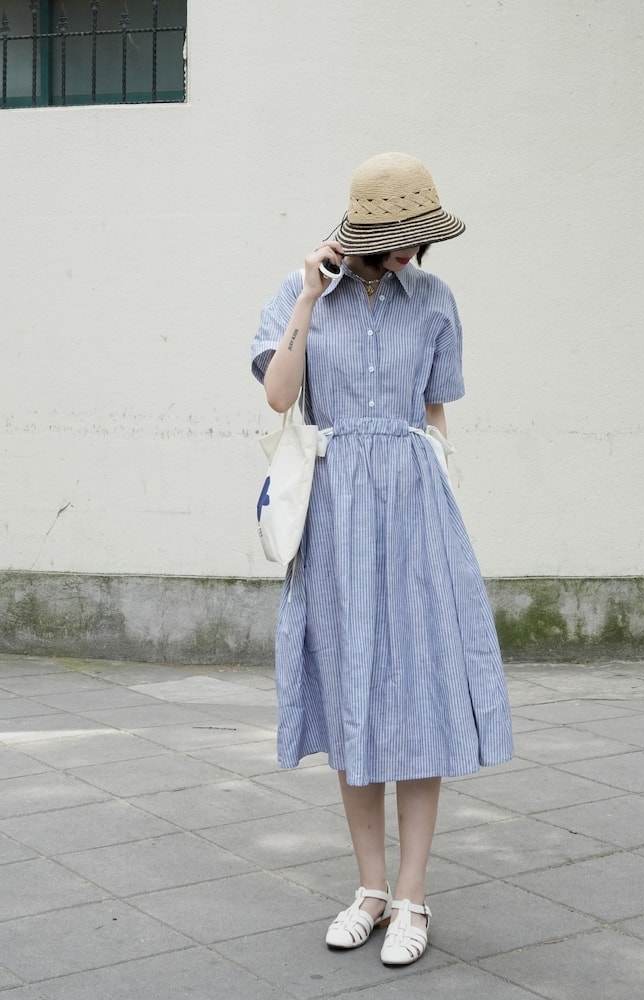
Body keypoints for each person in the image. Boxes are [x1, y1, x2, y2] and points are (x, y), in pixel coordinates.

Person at [250, 151, 514, 966]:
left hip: (415, 509)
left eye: (418, 240)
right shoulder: (301, 295)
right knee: (351, 690)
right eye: (398, 240)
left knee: (420, 695)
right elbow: (279, 395)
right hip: (334, 512)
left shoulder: (434, 300)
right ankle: (368, 891)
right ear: (359, 234)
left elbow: (436, 416)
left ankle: (412, 897)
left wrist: (442, 510)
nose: (411, 254)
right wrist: (307, 296)